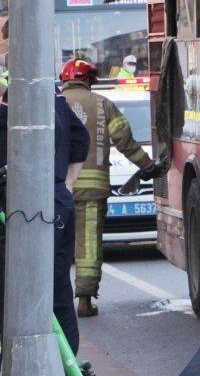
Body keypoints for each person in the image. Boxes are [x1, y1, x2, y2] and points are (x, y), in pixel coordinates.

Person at [59, 58, 157, 317]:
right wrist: (149, 167)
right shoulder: (103, 105)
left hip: (55, 192)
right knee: (88, 244)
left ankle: (53, 303)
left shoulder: (52, 104)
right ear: (89, 79)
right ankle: (85, 299)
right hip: (92, 191)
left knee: (56, 244)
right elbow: (126, 143)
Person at [0, 84, 89, 353]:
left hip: (19, 209)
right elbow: (80, 140)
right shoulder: (55, 98)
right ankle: (65, 369)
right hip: (56, 203)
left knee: (13, 287)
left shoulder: (11, 104)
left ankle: (23, 362)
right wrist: (66, 185)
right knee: (57, 288)